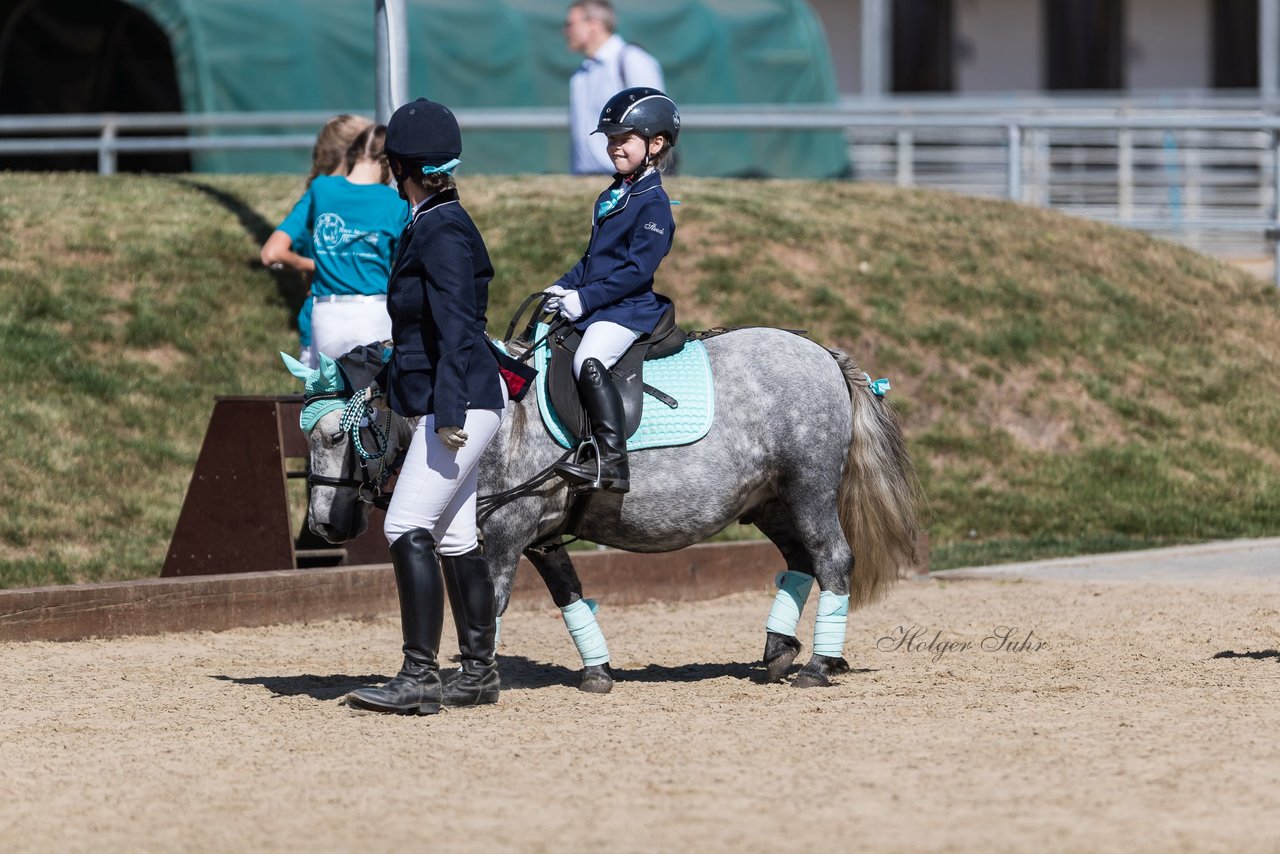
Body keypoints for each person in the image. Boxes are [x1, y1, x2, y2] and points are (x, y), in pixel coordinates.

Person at [347, 98, 534, 716]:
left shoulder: (442, 228)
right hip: (452, 396)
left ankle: (419, 675)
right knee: (454, 536)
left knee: (405, 527)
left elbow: (458, 326)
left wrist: (448, 410)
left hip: (458, 402)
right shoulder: (433, 219)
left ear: (402, 164)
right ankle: (478, 673)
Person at [543, 87, 680, 494]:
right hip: (603, 302)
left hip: (629, 309)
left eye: (624, 139)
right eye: (610, 139)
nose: (614, 146)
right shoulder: (613, 194)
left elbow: (636, 272)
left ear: (655, 144)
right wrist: (564, 285)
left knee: (588, 359)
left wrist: (584, 299)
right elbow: (593, 260)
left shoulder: (653, 204)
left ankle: (612, 461)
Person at [260, 122, 406, 362]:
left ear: (353, 154)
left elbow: (271, 253)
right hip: (374, 312)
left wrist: (316, 265)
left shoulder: (321, 189)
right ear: (389, 165)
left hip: (326, 314)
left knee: (324, 398)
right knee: (376, 396)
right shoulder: (396, 203)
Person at [564, 0, 664, 175]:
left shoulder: (631, 60)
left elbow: (656, 118)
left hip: (623, 179)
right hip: (584, 179)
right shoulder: (580, 74)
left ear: (593, 25)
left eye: (571, 24)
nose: (566, 31)